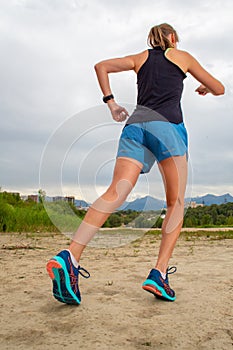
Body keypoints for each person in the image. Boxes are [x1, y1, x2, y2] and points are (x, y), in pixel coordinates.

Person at [46, 23, 224, 304]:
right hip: (168, 128)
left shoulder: (140, 58)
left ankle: (71, 255)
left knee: (115, 192)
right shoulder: (182, 57)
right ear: (173, 39)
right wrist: (204, 87)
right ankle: (159, 273)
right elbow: (220, 88)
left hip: (135, 126)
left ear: (151, 40)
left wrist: (111, 103)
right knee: (175, 204)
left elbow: (100, 66)